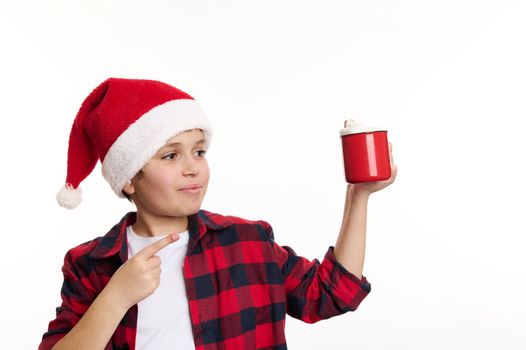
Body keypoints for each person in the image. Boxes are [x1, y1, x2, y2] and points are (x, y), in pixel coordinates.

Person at [39, 77, 397, 350]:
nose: (193, 168)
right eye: (170, 155)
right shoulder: (91, 265)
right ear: (129, 177)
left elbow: (332, 293)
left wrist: (358, 197)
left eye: (199, 152)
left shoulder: (248, 243)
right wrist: (115, 297)